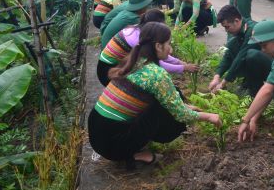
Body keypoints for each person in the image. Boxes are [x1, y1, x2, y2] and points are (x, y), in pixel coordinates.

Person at [88, 22, 222, 168]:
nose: (170, 50)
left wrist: (186, 106)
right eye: (169, 44)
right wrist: (209, 116)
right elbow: (180, 115)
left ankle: (133, 145)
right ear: (158, 46)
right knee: (162, 110)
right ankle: (133, 154)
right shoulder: (156, 74)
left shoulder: (133, 60)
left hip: (97, 131)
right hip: (113, 145)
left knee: (166, 97)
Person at [97, 9, 199, 86]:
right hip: (108, 72)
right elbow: (155, 64)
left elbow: (160, 53)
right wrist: (184, 68)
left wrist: (180, 63)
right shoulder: (137, 38)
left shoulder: (140, 29)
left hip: (117, 68)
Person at [208, 5, 271, 96]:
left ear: (236, 21)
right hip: (260, 65)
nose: (226, 30)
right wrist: (217, 77)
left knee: (251, 55)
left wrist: (223, 83)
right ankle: (247, 83)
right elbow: (228, 56)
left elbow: (241, 57)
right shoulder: (240, 32)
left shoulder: (252, 30)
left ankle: (255, 91)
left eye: (227, 27)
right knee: (232, 45)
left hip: (272, 68)